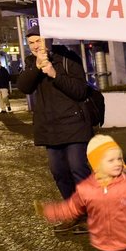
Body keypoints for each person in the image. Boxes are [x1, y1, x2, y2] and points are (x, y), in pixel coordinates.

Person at [16, 24, 93, 233]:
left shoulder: (68, 58)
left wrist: (53, 73)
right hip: (50, 128)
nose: (34, 45)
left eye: (38, 40)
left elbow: (79, 91)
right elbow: (24, 87)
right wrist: (37, 67)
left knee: (78, 168)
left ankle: (92, 214)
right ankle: (74, 213)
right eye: (30, 42)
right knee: (59, 172)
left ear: (49, 39)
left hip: (74, 124)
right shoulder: (32, 62)